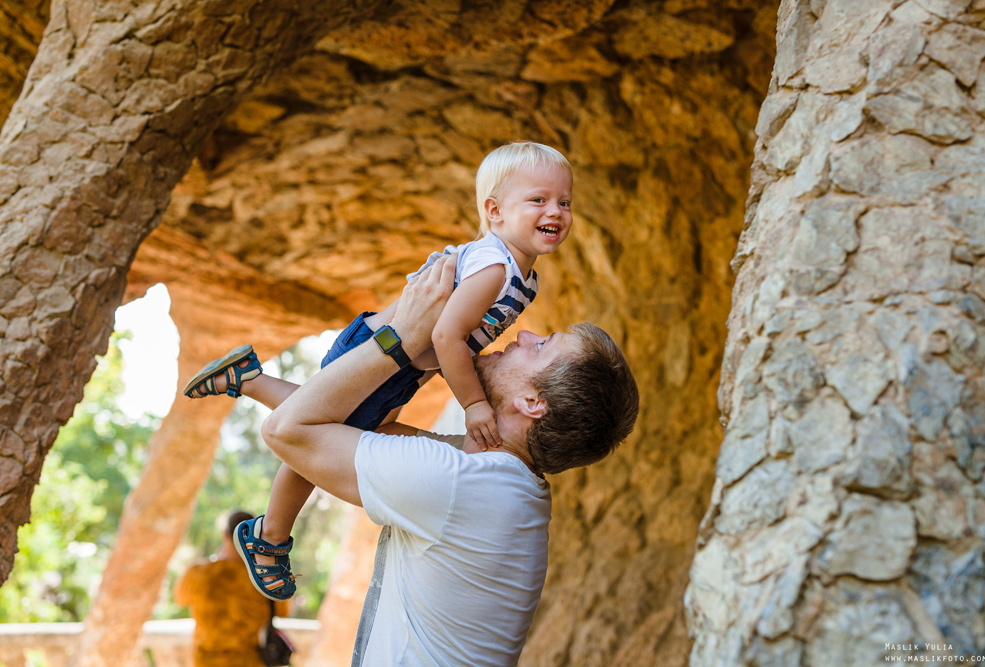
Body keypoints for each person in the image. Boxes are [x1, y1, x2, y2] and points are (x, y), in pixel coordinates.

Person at [184, 255, 640, 666]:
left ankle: (247, 379)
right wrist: (429, 351)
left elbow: (288, 431)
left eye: (541, 347)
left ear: (532, 402)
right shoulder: (501, 482)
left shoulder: (463, 483)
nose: (524, 334)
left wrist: (402, 336)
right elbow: (364, 429)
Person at [182, 141, 575, 601]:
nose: (556, 211)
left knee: (337, 422)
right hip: (380, 352)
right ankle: (268, 537)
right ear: (494, 211)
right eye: (539, 200)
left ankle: (248, 377)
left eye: (564, 202)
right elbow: (448, 336)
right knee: (317, 440)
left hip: (398, 366)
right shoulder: (493, 267)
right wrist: (473, 404)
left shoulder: (524, 276)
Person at [174, 510, 292, 667]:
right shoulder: (267, 577)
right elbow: (282, 611)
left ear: (225, 535)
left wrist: (215, 560)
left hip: (205, 661)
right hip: (250, 661)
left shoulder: (198, 572)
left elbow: (180, 599)